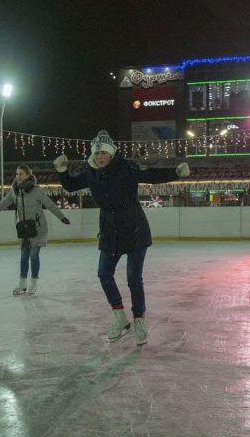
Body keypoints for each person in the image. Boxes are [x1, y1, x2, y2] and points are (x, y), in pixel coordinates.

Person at [53, 130, 190, 346]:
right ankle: (119, 316)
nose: (100, 157)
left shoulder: (127, 168)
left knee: (133, 278)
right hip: (109, 231)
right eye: (97, 153)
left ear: (111, 153)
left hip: (134, 228)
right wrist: (62, 171)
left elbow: (151, 175)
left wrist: (176, 172)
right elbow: (71, 185)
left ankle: (139, 322)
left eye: (103, 153)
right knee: (103, 273)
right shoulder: (91, 172)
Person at [0, 165, 70, 296]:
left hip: (38, 228)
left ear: (28, 175)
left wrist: (62, 217)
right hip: (24, 229)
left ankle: (33, 282)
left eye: (21, 174)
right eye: (17, 174)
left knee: (34, 255)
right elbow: (1, 205)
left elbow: (50, 205)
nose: (18, 176)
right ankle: (22, 283)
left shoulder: (36, 190)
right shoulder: (15, 191)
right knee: (24, 256)